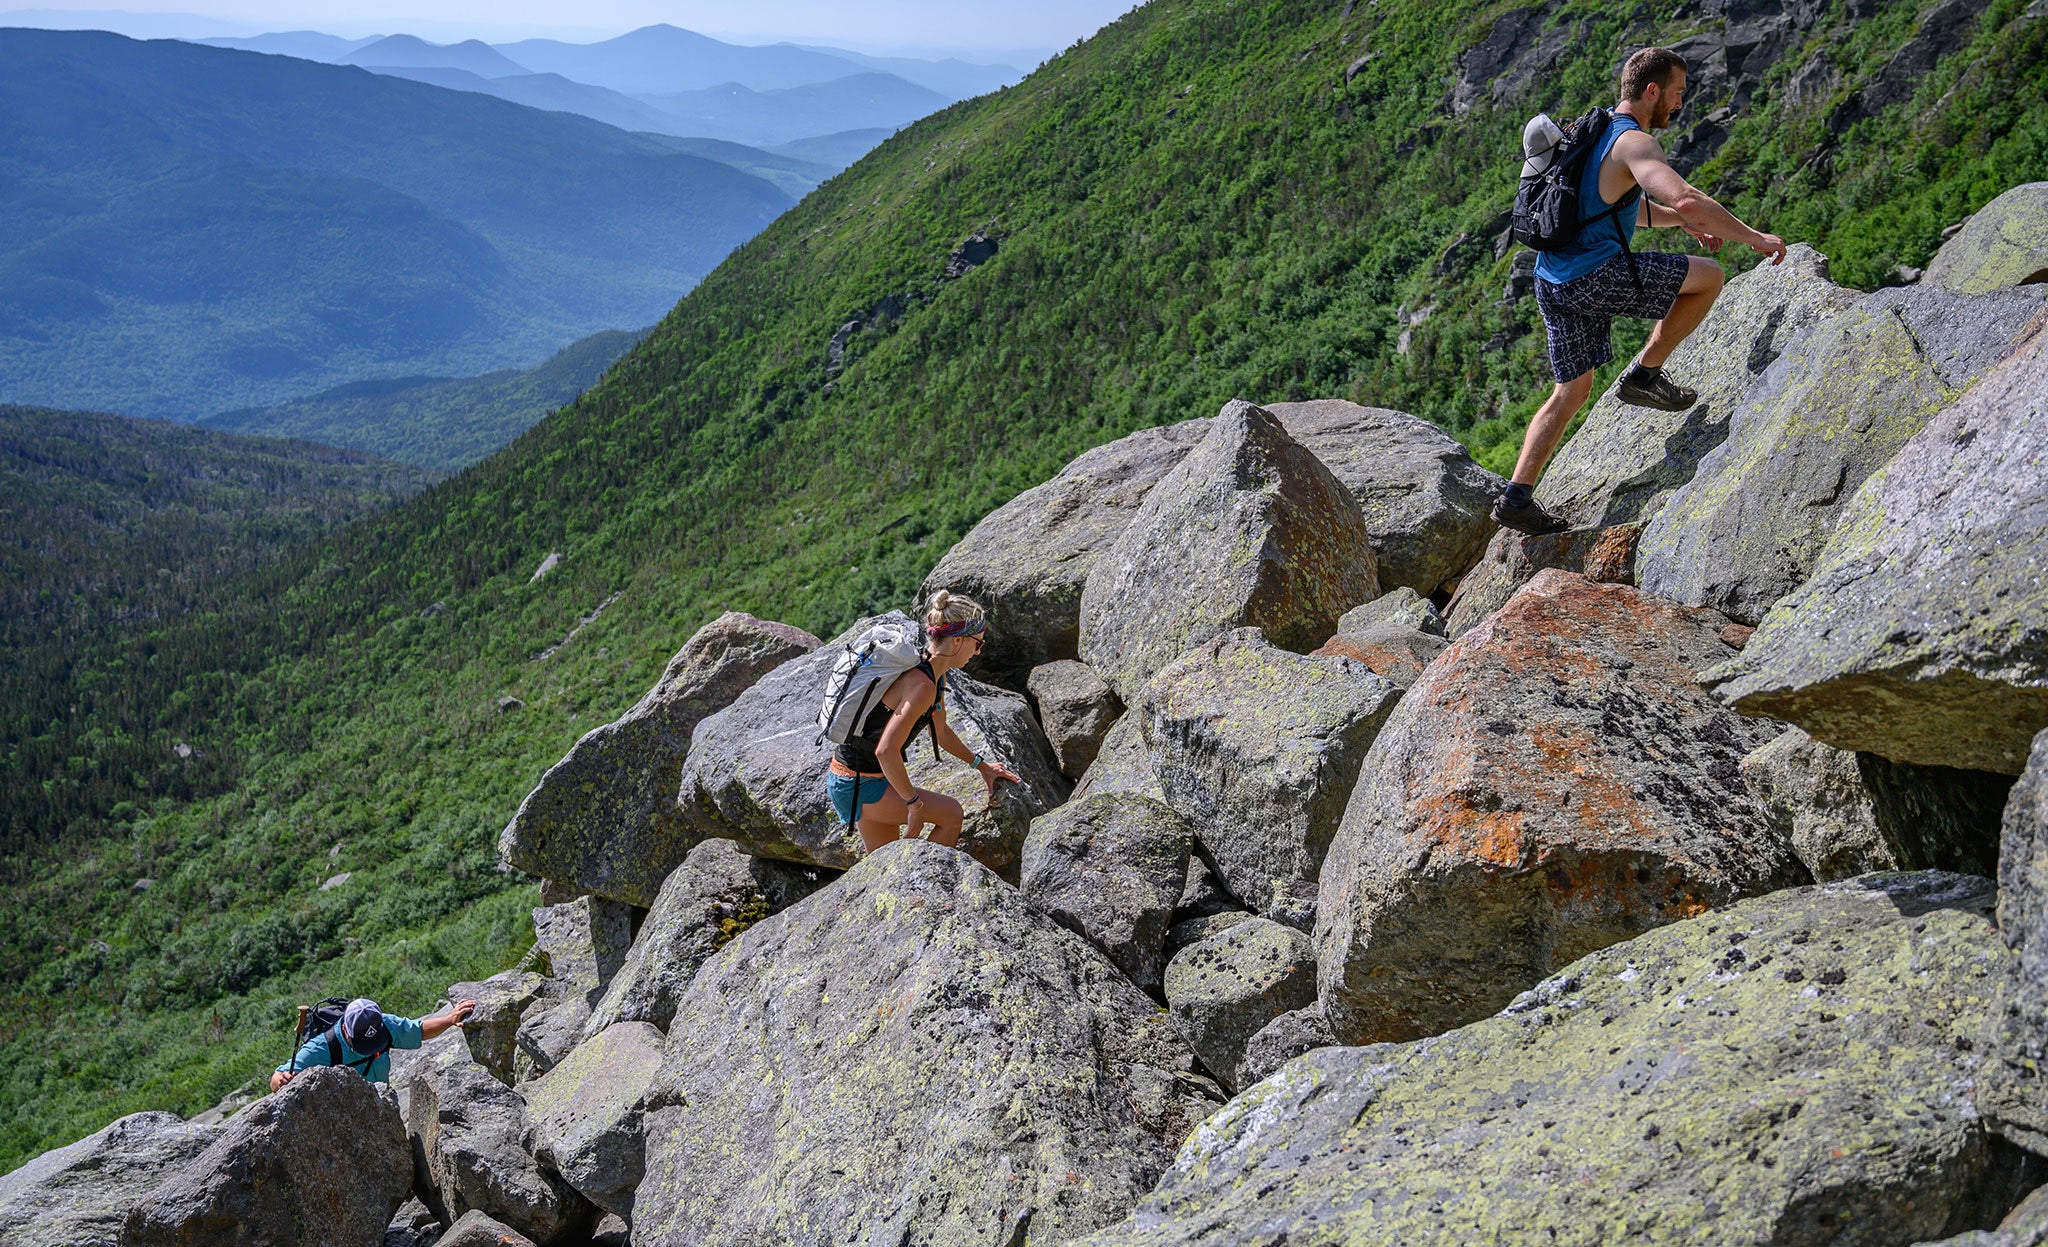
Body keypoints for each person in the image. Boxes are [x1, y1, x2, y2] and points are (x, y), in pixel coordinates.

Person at [1493, 46, 1789, 535]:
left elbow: (1613, 206)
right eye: (1676, 94)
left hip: (1552, 279)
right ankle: (1646, 376)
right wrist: (1753, 237)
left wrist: (1679, 224)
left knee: (1572, 390)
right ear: (1651, 91)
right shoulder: (1635, 144)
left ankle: (1515, 497)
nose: (1678, 105)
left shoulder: (1591, 134)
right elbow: (1685, 197)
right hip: (1594, 277)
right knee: (1709, 277)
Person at [826, 591, 1023, 853]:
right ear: (957, 641)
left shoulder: (933, 676)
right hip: (860, 784)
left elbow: (940, 732)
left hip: (854, 779)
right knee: (951, 814)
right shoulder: (922, 685)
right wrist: (914, 805)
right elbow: (885, 750)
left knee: (888, 864)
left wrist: (982, 766)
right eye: (978, 644)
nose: (978, 653)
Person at [268, 996, 475, 1092]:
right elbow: (278, 1078)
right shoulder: (322, 1049)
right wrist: (280, 1080)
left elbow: (418, 1030)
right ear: (346, 1032)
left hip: (381, 1102)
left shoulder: (383, 1024)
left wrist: (449, 1019)